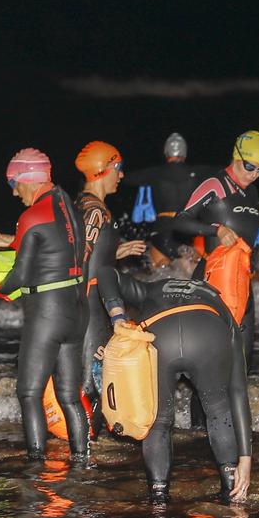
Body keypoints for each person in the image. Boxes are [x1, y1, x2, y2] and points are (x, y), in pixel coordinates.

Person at [0, 148, 90, 462]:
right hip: (76, 309)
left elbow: (19, 275)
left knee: (28, 393)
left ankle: (36, 465)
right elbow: (54, 241)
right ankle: (82, 461)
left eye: (14, 183)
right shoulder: (67, 203)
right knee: (69, 396)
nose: (14, 192)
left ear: (28, 178)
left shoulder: (31, 216)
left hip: (48, 313)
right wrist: (13, 239)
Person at [112, 270, 254, 504]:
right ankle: (233, 489)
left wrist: (115, 313)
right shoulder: (221, 304)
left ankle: (158, 499)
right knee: (219, 409)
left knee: (158, 420)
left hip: (160, 334)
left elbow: (108, 273)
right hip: (207, 331)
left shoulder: (150, 288)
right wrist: (245, 459)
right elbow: (238, 391)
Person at [175, 130, 259, 375]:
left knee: (241, 366)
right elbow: (180, 221)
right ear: (236, 156)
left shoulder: (253, 193)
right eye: (250, 167)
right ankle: (200, 414)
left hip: (242, 285)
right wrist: (215, 229)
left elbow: (250, 236)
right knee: (209, 368)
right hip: (211, 282)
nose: (254, 174)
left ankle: (234, 415)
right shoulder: (215, 184)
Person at [74, 141, 146, 411]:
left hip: (89, 299)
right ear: (104, 169)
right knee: (91, 382)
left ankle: (86, 443)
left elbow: (86, 251)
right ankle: (84, 449)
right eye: (119, 168)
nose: (122, 175)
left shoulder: (84, 204)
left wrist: (113, 252)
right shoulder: (95, 211)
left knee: (96, 378)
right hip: (91, 303)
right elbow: (78, 257)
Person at [125, 132, 205, 267]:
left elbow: (126, 178)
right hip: (188, 230)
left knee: (161, 278)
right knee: (189, 281)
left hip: (162, 229)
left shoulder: (154, 173)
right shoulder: (198, 173)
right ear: (184, 153)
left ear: (165, 152)